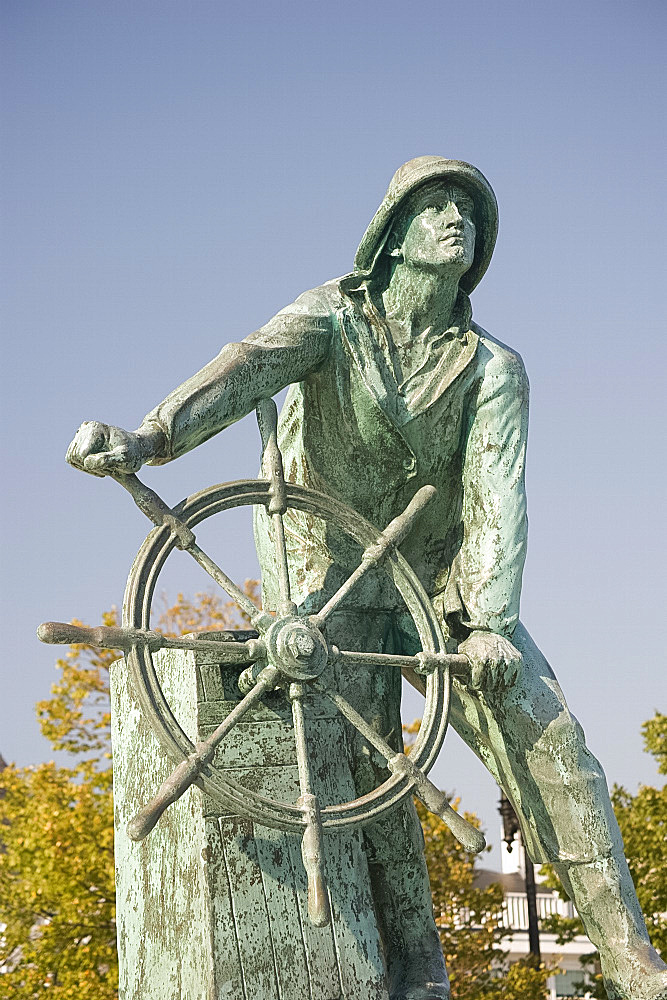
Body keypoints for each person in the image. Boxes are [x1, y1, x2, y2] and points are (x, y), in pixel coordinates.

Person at [66, 157, 667, 1000]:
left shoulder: (494, 367)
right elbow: (244, 369)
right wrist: (149, 437)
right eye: (435, 205)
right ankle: (414, 972)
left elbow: (499, 490)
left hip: (446, 584)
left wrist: (491, 619)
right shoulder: (330, 319)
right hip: (327, 571)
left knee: (553, 750)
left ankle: (632, 962)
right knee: (367, 769)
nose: (456, 218)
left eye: (468, 209)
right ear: (390, 235)